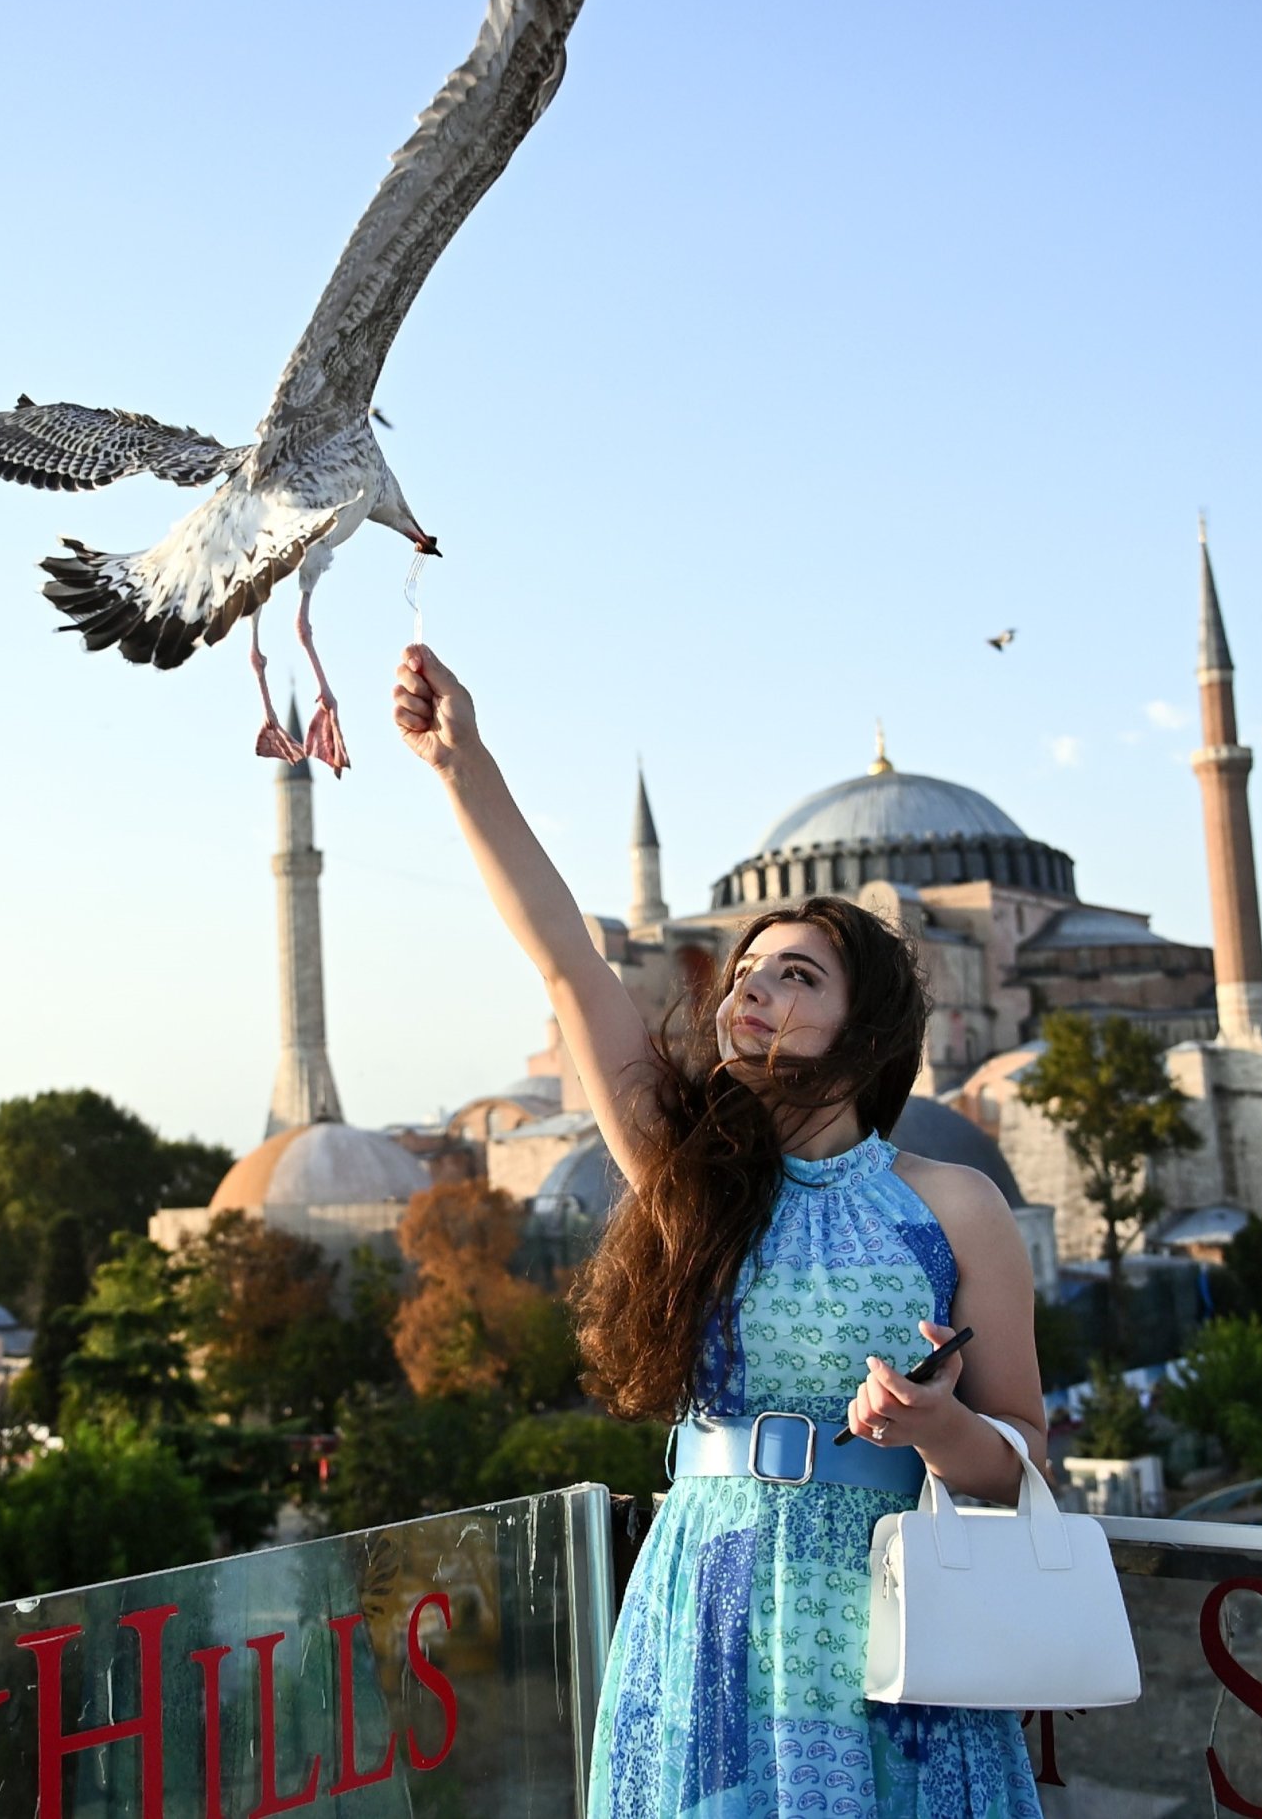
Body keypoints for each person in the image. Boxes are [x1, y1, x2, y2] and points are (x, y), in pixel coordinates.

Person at [392, 645, 1048, 1819]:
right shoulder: (689, 1180)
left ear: (865, 1025)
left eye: (796, 974)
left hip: (894, 1624)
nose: (753, 988)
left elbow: (1028, 1460)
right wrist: (463, 767)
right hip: (711, 1606)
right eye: (748, 970)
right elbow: (566, 963)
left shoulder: (955, 1205)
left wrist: (943, 1426)